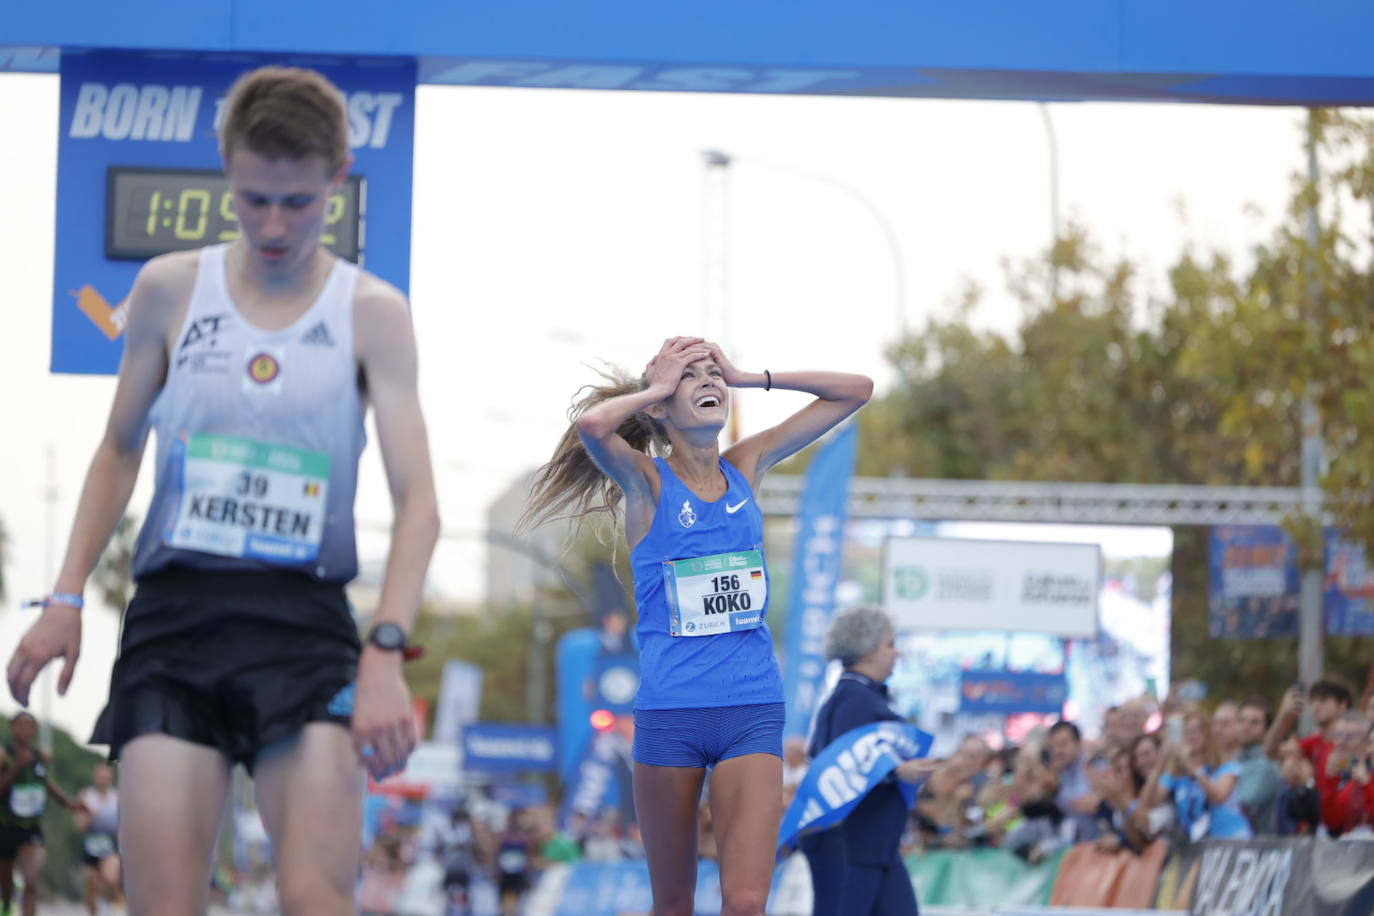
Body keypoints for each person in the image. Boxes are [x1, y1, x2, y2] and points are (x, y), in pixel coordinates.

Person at [5, 66, 439, 915]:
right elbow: (118, 448)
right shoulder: (169, 289)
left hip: (305, 629)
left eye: (299, 203)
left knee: (316, 901)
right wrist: (63, 597)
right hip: (175, 628)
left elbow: (419, 500)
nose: (275, 225)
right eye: (253, 200)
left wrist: (386, 650)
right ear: (225, 169)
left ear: (338, 179)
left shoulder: (374, 313)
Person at [524, 336, 871, 916]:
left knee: (744, 903)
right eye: (693, 377)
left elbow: (856, 391)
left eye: (713, 374)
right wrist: (655, 387)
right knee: (675, 904)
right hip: (669, 716)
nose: (709, 382)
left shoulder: (747, 465)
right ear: (659, 407)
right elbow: (591, 427)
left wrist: (749, 376)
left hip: (751, 710)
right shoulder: (646, 482)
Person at [800, 606, 936, 916]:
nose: (896, 653)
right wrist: (898, 770)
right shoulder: (855, 700)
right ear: (866, 648)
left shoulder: (857, 697)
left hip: (872, 844)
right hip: (851, 845)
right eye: (890, 644)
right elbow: (845, 761)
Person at [0, 712, 85, 916]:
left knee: (31, 880)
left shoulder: (40, 757)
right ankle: (6, 905)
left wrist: (68, 802)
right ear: (12, 728)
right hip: (6, 826)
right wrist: (16, 768)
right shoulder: (4, 756)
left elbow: (45, 782)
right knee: (6, 885)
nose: (24, 730)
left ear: (35, 731)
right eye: (19, 725)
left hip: (32, 828)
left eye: (29, 726)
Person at [1142, 709, 1252, 842]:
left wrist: (1190, 765)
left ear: (1208, 734)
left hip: (1232, 841)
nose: (1191, 736)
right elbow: (1148, 803)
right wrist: (1162, 762)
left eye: (1197, 730)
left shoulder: (1227, 767)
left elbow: (1218, 797)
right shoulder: (1176, 775)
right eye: (1186, 732)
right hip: (1200, 848)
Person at [1264, 678, 1353, 797]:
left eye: (1323, 699)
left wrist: (1309, 782)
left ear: (1342, 705)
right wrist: (1283, 715)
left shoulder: (1353, 743)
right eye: (1313, 701)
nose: (1316, 706)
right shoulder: (1313, 742)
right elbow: (1270, 752)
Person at [73, 763, 121, 916]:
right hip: (91, 847)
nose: (104, 778)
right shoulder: (86, 796)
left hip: (110, 846)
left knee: (110, 878)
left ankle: (108, 905)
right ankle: (93, 912)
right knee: (91, 883)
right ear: (94, 776)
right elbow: (78, 826)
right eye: (101, 775)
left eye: (107, 775)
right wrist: (89, 817)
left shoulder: (117, 798)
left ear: (111, 777)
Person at [1319, 713, 1374, 838]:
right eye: (1338, 735)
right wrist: (1330, 780)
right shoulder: (1333, 772)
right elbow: (1332, 821)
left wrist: (1366, 784)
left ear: (1366, 743)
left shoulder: (1367, 776)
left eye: (1350, 737)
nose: (1341, 742)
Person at [1233, 697, 1281, 834]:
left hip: (1257, 848)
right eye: (1241, 720)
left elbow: (1243, 803)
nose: (1246, 727)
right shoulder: (1234, 762)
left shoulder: (1267, 766)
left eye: (1254, 722)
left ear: (1267, 730)